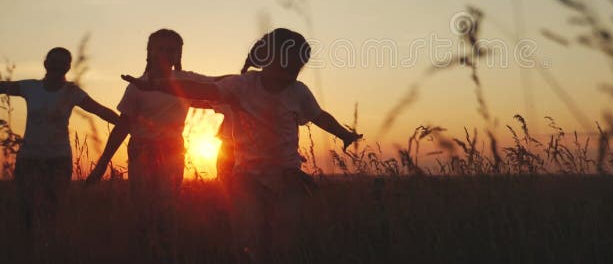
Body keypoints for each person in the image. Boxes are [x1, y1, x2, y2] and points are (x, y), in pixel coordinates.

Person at [121, 28, 362, 263]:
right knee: (248, 241)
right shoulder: (243, 85)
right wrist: (156, 86)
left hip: (287, 176)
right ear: (266, 59)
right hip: (246, 177)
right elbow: (201, 89)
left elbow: (319, 116)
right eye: (283, 68)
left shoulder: (298, 92)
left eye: (295, 70)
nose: (288, 76)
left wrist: (343, 133)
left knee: (284, 243)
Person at [85, 28, 221, 261]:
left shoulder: (188, 81)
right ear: (149, 52)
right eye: (160, 48)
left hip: (173, 150)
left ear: (179, 54)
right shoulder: (137, 86)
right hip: (142, 149)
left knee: (168, 208)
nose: (166, 53)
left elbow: (220, 87)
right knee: (143, 209)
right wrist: (102, 164)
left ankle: (167, 253)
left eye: (172, 49)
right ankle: (144, 252)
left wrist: (249, 79)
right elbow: (123, 127)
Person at [0, 47, 120, 257]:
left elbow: (100, 111)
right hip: (29, 159)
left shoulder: (72, 93)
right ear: (45, 63)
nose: (58, 65)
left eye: (63, 62)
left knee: (52, 213)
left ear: (68, 67)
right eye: (53, 61)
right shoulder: (29, 87)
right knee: (25, 212)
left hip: (58, 161)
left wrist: (128, 124)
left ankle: (50, 254)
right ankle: (27, 254)